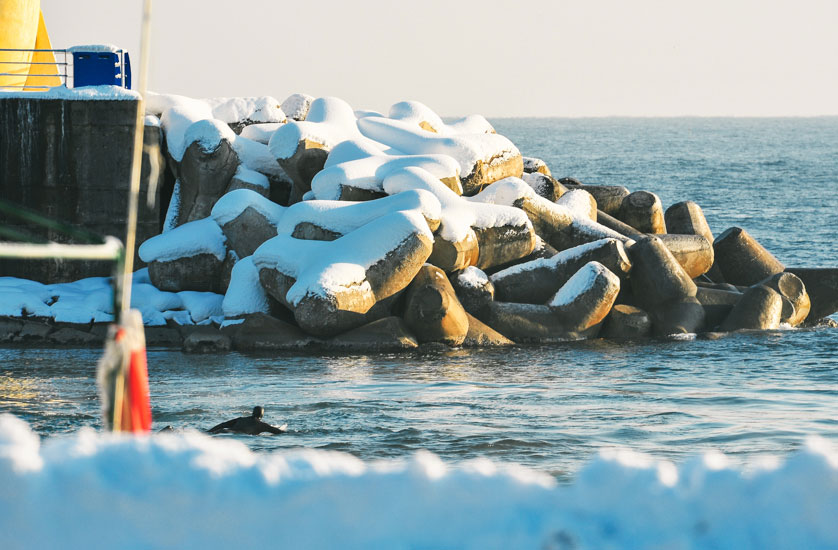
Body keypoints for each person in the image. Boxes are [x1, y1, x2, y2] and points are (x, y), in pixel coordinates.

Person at [207, 406, 287, 435]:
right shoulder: (262, 425)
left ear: (252, 413)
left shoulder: (240, 419)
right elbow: (278, 432)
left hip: (222, 431)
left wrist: (208, 431)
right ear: (261, 415)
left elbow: (223, 425)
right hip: (231, 435)